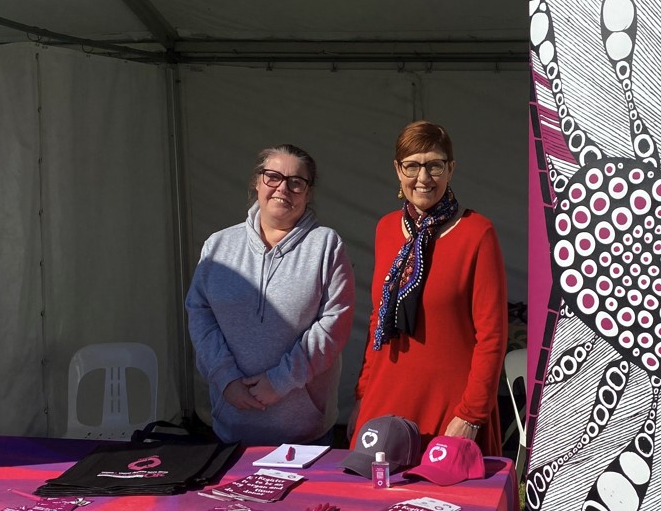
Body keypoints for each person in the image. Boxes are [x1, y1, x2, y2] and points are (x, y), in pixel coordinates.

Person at [349, 121, 508, 455]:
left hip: (451, 409)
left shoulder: (477, 233)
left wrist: (472, 415)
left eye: (434, 165)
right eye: (412, 166)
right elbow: (379, 317)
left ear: (450, 169)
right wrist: (363, 394)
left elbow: (492, 335)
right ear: (397, 170)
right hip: (385, 399)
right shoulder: (386, 229)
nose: (423, 178)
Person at [186, 143, 355, 447]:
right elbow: (200, 314)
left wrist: (279, 382)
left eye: (296, 182)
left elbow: (334, 326)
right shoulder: (218, 246)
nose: (283, 189)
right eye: (273, 177)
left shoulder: (326, 246)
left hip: (304, 435)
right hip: (231, 428)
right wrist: (225, 377)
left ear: (309, 192)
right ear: (257, 181)